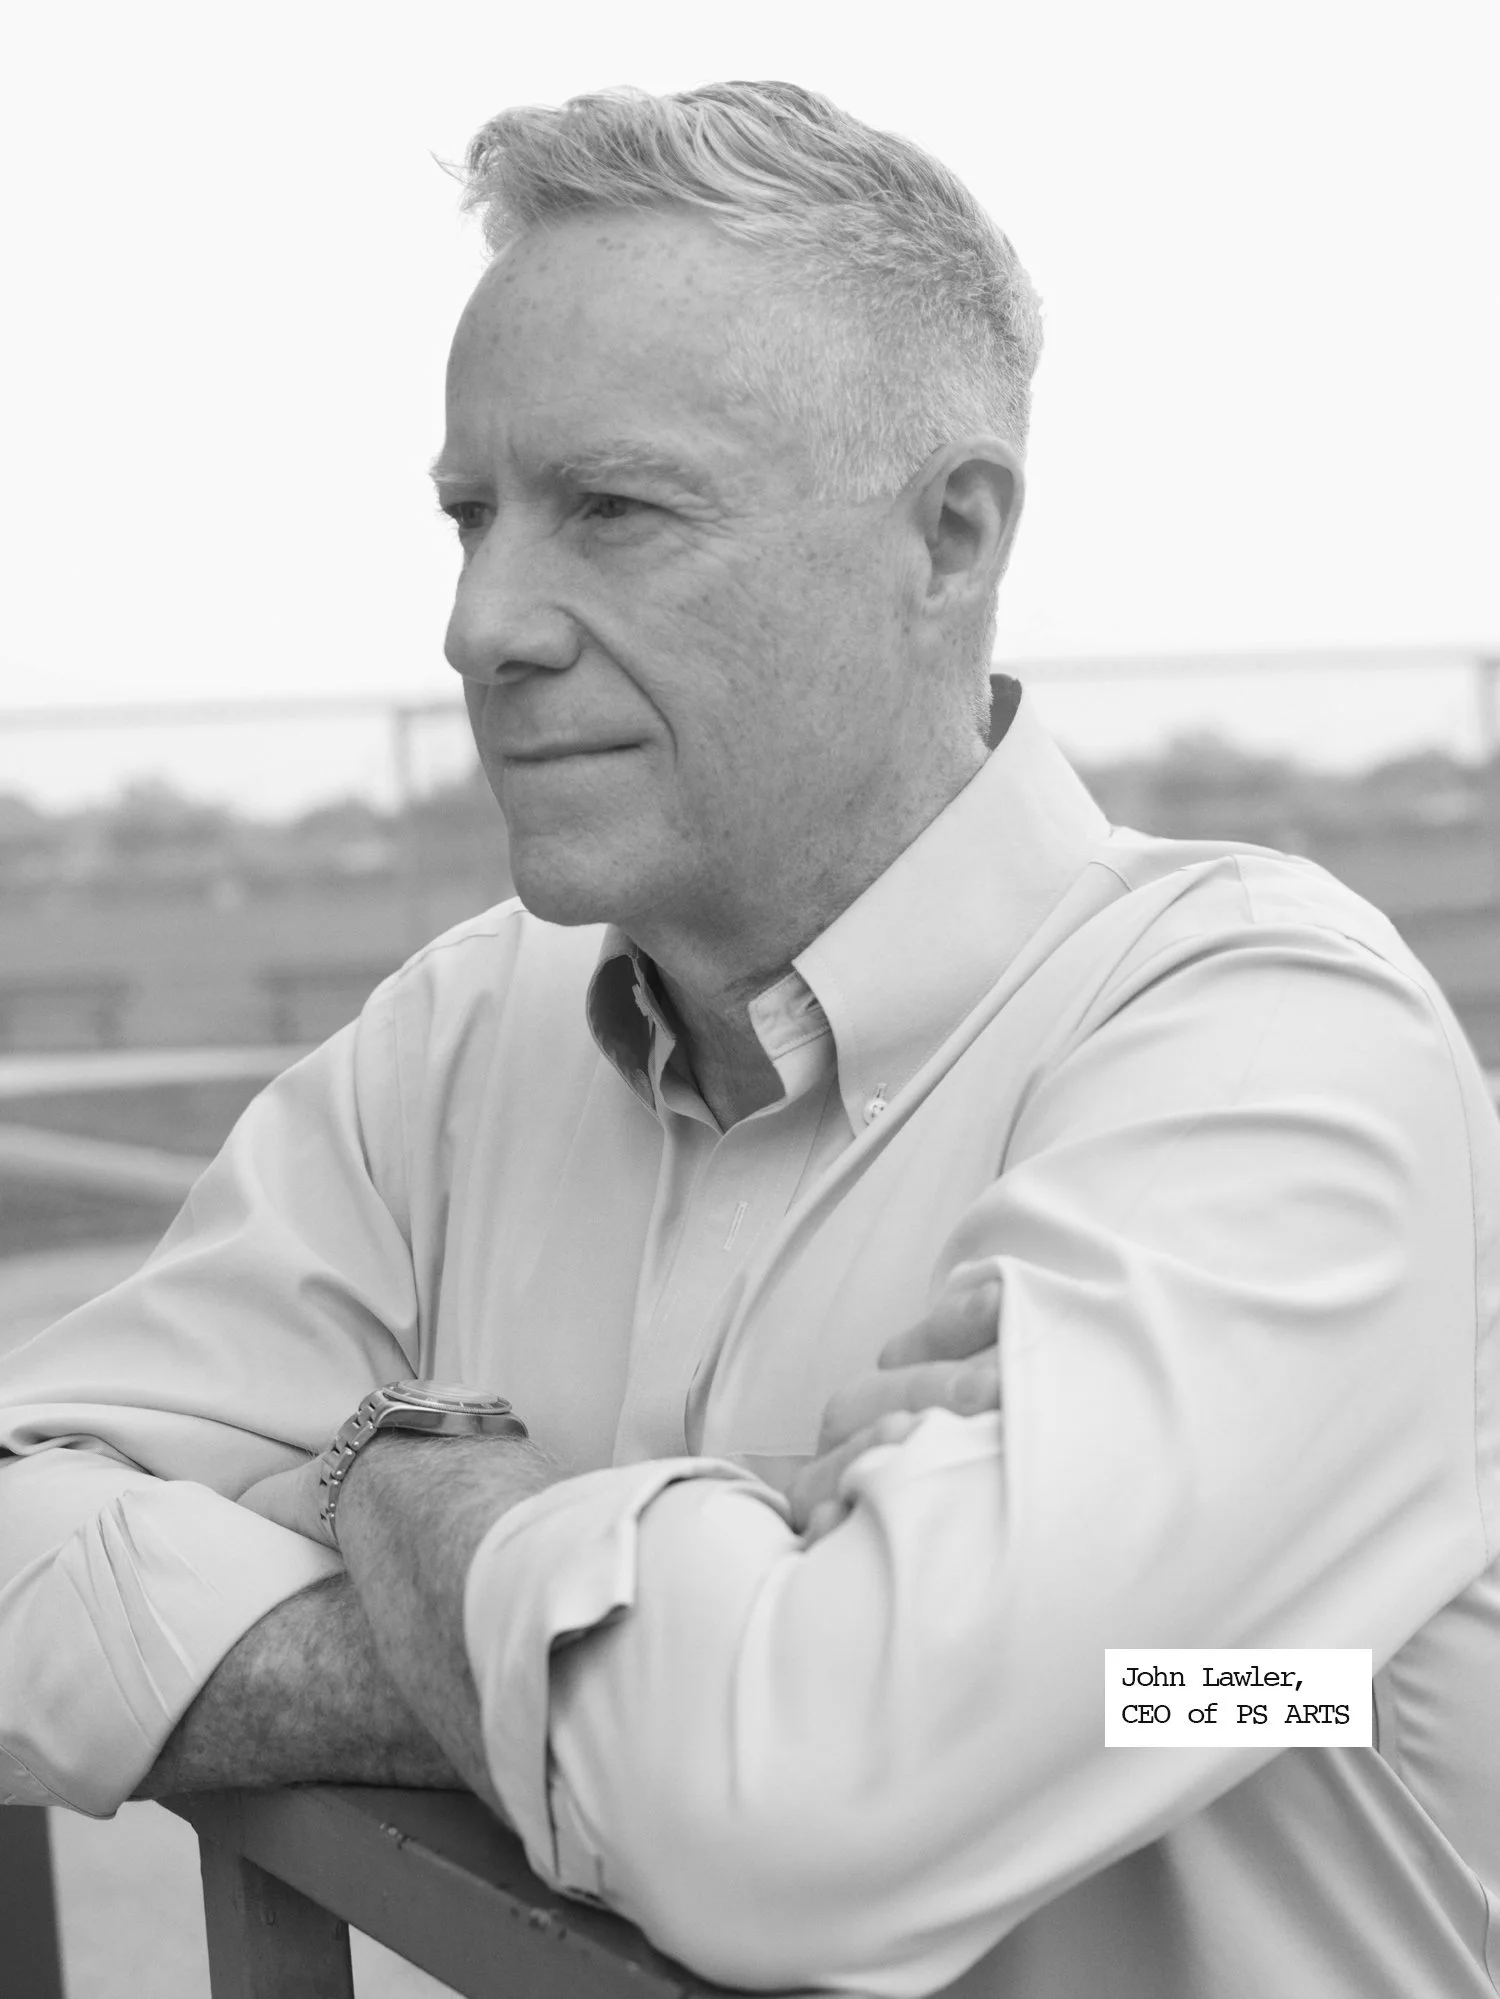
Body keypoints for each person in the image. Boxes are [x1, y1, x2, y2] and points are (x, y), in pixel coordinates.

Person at [2, 79, 1497, 1999]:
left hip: (1258, 1708)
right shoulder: (457, 1039)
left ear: (949, 536)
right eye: (470, 514)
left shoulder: (1268, 1050)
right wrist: (654, 1636)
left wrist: (396, 1472)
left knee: (1234, 1695)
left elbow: (806, 1808)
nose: (482, 623)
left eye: (614, 511)